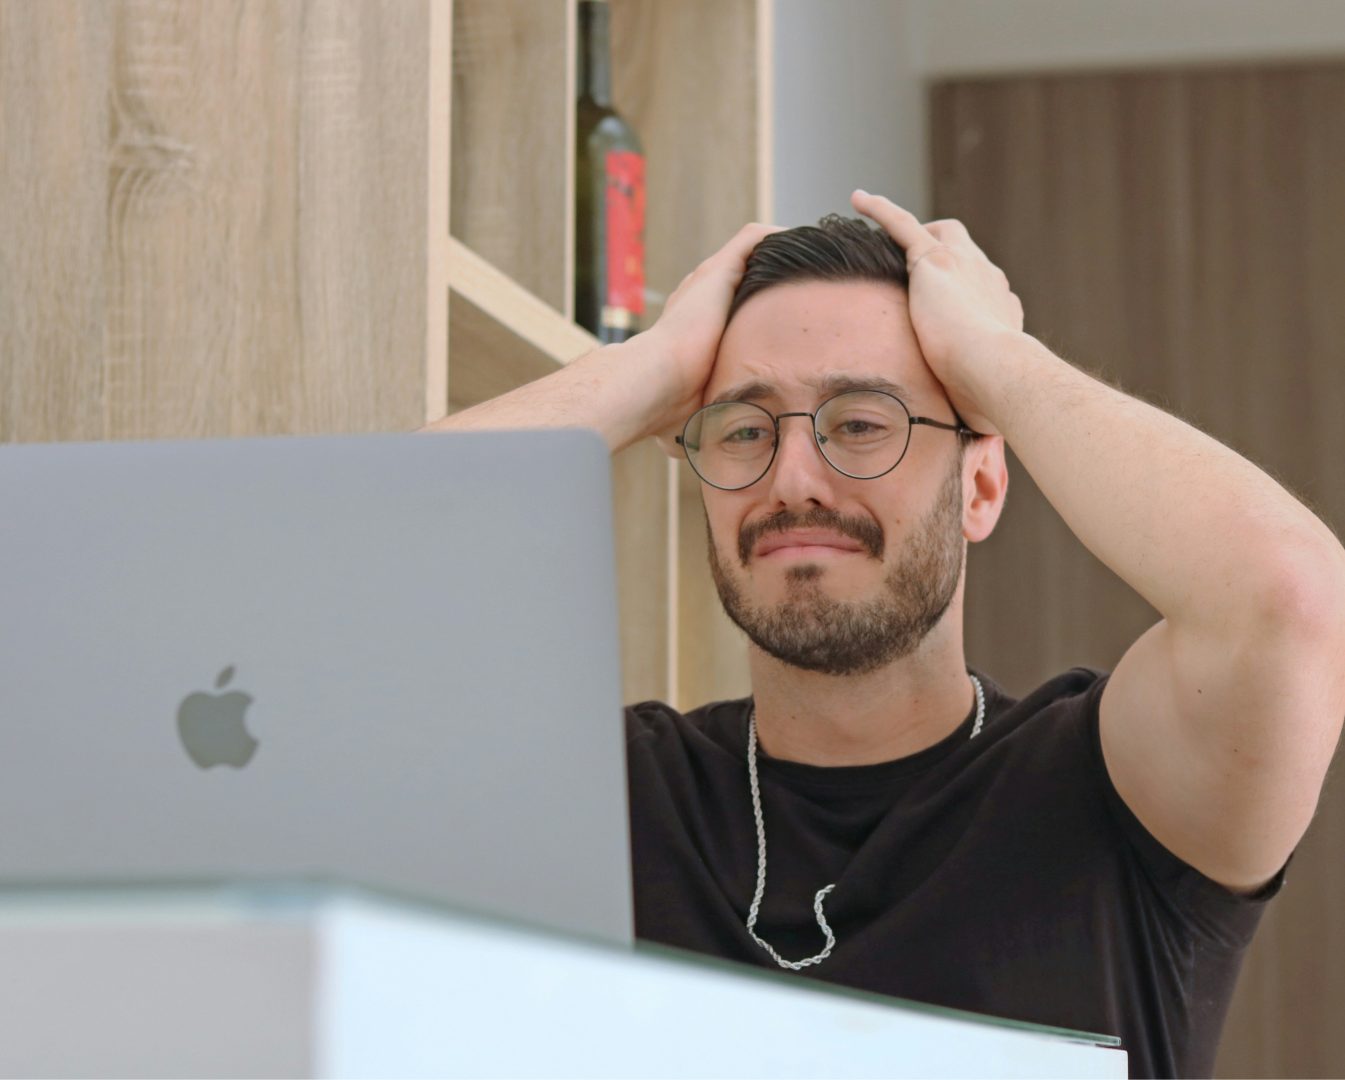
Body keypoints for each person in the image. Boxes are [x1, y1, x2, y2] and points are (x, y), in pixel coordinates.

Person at [422, 191, 1345, 1078]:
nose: (792, 479)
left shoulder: (1119, 795)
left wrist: (997, 357)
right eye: (744, 431)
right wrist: (652, 365)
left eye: (861, 423)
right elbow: (335, 585)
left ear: (979, 488)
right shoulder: (607, 799)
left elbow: (1290, 598)